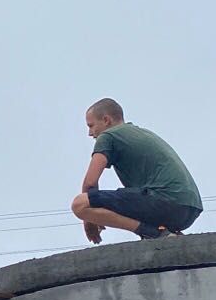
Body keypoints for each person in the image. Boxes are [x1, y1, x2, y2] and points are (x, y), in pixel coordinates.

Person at [71, 100, 202, 243]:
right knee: (131, 199)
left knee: (80, 204)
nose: (90, 133)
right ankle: (164, 233)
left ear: (106, 120)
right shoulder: (141, 133)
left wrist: (89, 220)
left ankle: (151, 233)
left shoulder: (108, 136)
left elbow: (90, 184)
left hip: (165, 201)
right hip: (189, 210)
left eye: (91, 126)